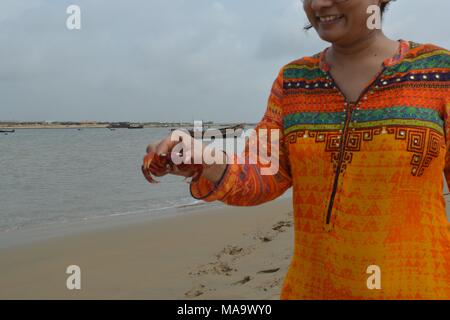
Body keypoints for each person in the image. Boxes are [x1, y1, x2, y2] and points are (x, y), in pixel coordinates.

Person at [145, 0, 450, 299]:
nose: (319, 4)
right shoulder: (293, 81)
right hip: (311, 288)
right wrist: (204, 160)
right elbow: (263, 172)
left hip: (421, 286)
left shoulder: (438, 73)